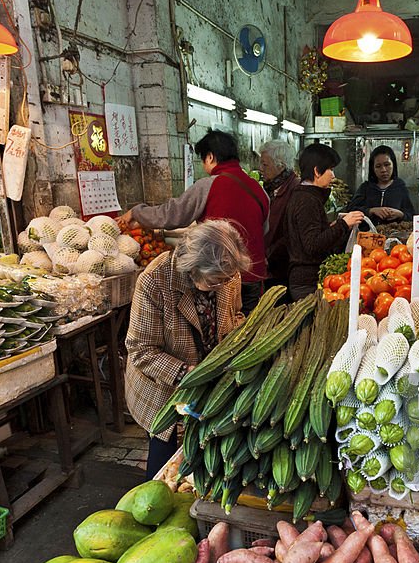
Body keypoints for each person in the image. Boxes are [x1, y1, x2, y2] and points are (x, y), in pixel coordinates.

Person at [124, 220, 251, 478]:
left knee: (207, 447)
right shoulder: (155, 281)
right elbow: (141, 349)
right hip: (161, 384)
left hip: (209, 375)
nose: (224, 285)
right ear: (192, 269)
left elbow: (235, 314)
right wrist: (190, 373)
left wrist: (239, 345)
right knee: (163, 455)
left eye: (226, 279)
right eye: (215, 282)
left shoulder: (228, 273)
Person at [120, 130, 269, 313]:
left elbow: (171, 215)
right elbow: (264, 230)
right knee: (249, 329)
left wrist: (137, 212)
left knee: (221, 334)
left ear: (210, 157)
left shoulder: (208, 185)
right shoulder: (259, 190)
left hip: (218, 277)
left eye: (202, 159)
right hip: (253, 275)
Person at [285, 143, 364, 302]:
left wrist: (330, 228)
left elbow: (307, 234)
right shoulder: (307, 200)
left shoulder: (305, 196)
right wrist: (343, 225)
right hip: (306, 282)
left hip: (303, 279)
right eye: (331, 169)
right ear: (316, 171)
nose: (333, 175)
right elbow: (312, 245)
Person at [259, 140, 300, 287]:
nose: (260, 169)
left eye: (265, 165)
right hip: (267, 265)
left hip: (282, 269)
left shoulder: (295, 189)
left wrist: (269, 254)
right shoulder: (270, 188)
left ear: (280, 165)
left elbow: (291, 233)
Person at [346, 145, 415, 224]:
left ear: (393, 165)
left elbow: (412, 216)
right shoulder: (365, 188)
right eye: (378, 166)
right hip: (367, 234)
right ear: (373, 169)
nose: (383, 170)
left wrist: (401, 214)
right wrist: (371, 211)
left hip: (394, 234)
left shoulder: (400, 188)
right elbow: (350, 211)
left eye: (387, 164)